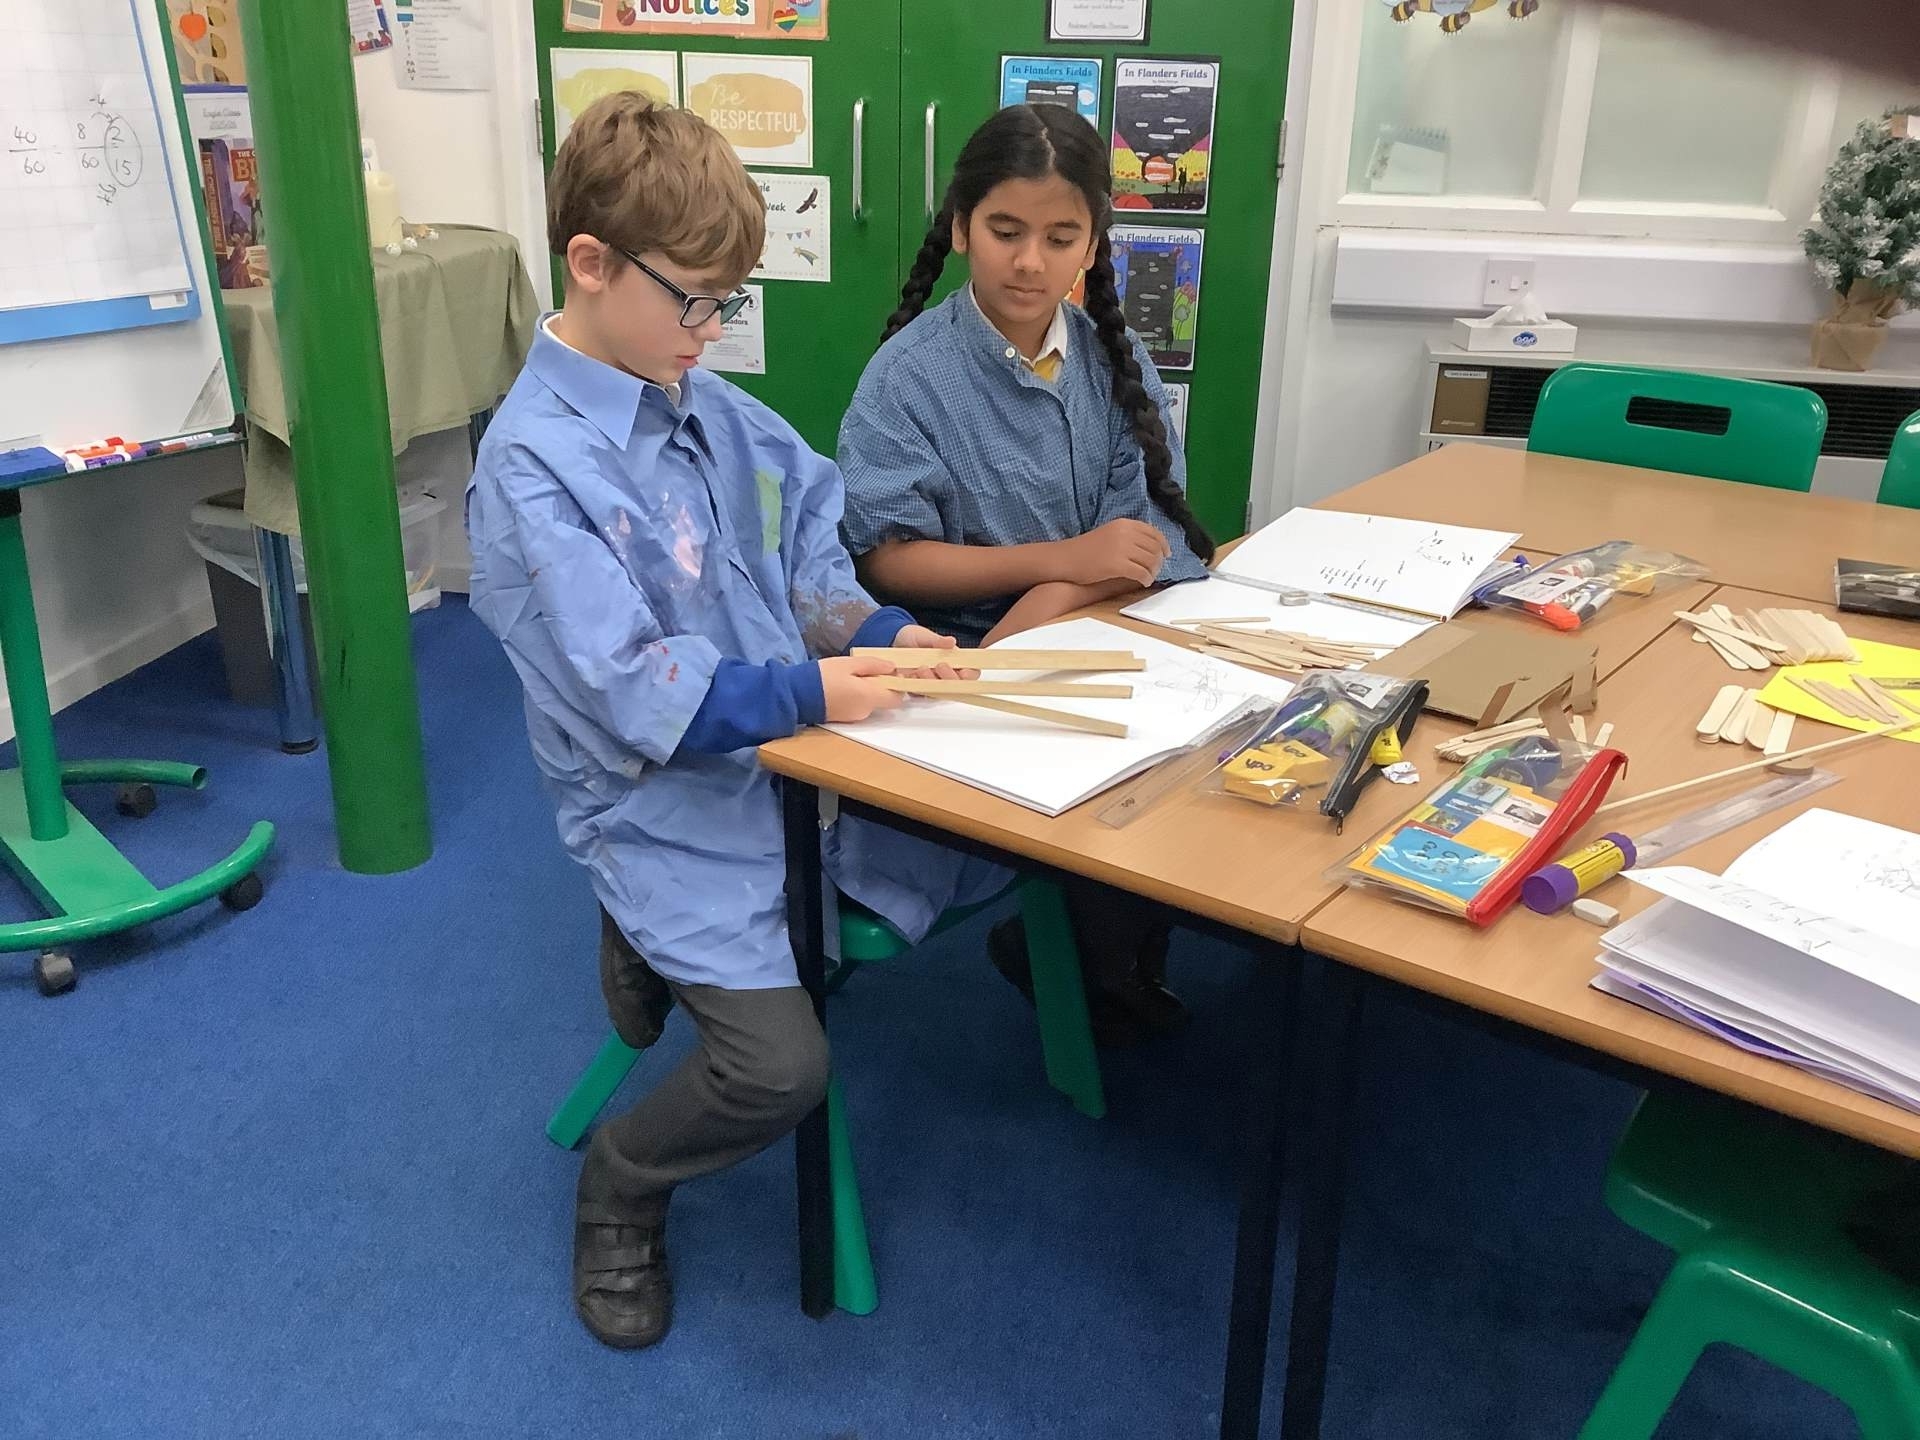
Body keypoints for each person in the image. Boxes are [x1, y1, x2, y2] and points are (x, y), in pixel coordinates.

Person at [466, 93, 998, 1352]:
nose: (712, 334)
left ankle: (661, 948)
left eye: (726, 305)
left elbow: (808, 541)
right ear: (591, 265)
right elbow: (632, 686)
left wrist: (875, 633)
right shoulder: (533, 469)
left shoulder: (696, 391)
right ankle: (623, 1181)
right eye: (696, 303)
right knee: (780, 1070)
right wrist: (816, 690)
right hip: (655, 793)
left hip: (780, 750)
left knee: (984, 836)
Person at [836, 104, 1210, 1045]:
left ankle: (1104, 953)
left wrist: (1058, 589)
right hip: (961, 657)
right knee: (1110, 787)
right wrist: (1061, 562)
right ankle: (1087, 962)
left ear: (1093, 243)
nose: (1030, 262)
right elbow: (886, 557)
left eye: (1059, 238)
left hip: (1087, 626)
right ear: (962, 226)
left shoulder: (1111, 358)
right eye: (1006, 232)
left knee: (1207, 740)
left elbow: (1150, 534)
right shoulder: (906, 378)